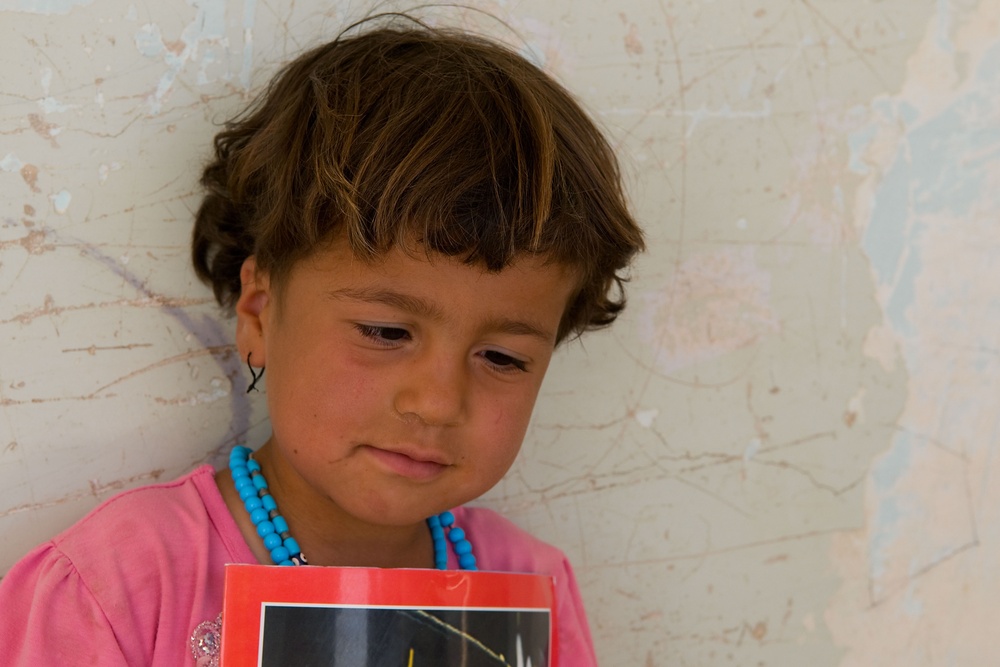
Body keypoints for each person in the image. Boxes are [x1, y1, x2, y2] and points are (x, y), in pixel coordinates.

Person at [0, 15, 643, 666]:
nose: (438, 400)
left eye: (503, 357)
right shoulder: (123, 583)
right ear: (258, 312)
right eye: (386, 331)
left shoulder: (530, 587)